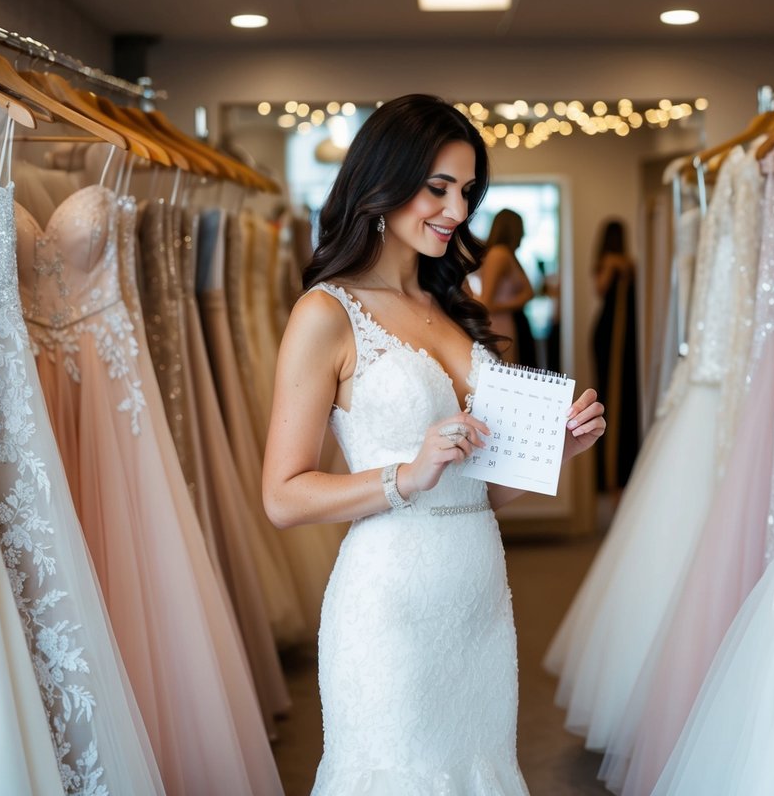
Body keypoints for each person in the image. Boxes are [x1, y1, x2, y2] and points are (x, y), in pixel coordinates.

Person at [261, 94, 605, 792]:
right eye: (437, 187)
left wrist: (556, 449)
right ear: (381, 184)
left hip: (479, 598)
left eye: (467, 191)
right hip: (388, 603)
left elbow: (478, 491)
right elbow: (282, 497)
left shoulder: (454, 307)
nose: (456, 209)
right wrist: (403, 476)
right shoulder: (325, 314)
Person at [591, 218, 640, 493]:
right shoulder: (611, 263)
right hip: (611, 336)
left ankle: (621, 473)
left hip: (622, 336)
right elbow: (600, 289)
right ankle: (610, 477)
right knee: (611, 397)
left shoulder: (628, 263)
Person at [478, 208, 538, 365]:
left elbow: (529, 292)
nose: (522, 235)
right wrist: (515, 304)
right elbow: (487, 303)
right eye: (520, 229)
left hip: (511, 320)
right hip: (503, 323)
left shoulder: (508, 255)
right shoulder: (499, 254)